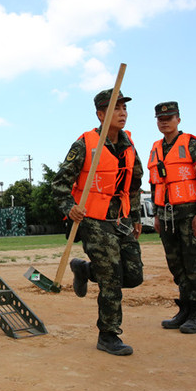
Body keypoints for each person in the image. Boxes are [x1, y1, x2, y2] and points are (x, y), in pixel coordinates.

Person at [51, 89, 144, 356]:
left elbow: (135, 185)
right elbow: (59, 185)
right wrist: (70, 208)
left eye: (124, 108)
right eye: (116, 108)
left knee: (134, 275)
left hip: (121, 219)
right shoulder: (84, 144)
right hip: (92, 220)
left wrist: (135, 216)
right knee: (112, 277)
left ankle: (85, 270)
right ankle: (108, 334)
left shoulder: (129, 146)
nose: (122, 113)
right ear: (101, 114)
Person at [148, 101, 196, 334]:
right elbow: (155, 184)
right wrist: (156, 214)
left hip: (189, 215)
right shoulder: (156, 148)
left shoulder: (192, 144)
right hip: (166, 217)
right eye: (160, 119)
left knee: (195, 264)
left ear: (178, 119)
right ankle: (184, 309)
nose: (164, 122)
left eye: (169, 117)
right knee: (176, 265)